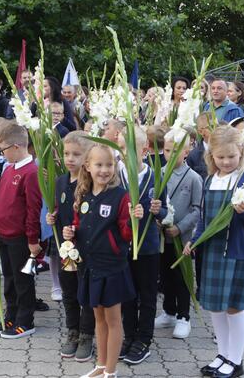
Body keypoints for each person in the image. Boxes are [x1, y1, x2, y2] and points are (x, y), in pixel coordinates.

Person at [183, 125, 244, 378]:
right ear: (212, 156)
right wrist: (194, 241)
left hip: (236, 253)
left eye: (231, 156)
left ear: (241, 152)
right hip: (212, 252)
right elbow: (205, 219)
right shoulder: (210, 179)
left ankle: (236, 360)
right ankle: (222, 354)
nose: (226, 161)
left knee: (233, 307)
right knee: (215, 307)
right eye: (220, 157)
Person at [62, 143, 142, 378]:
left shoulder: (120, 196)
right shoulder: (84, 194)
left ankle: (112, 371)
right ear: (87, 166)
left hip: (112, 267)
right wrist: (71, 232)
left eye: (109, 165)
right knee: (98, 318)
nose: (104, 170)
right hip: (90, 266)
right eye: (99, 165)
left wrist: (133, 221)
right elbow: (79, 225)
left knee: (114, 319)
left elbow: (126, 234)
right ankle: (100, 364)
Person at [0, 123, 43, 338]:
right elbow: (1, 194)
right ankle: (12, 314)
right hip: (4, 234)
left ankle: (26, 321)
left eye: (3, 149)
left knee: (22, 279)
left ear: (16, 146)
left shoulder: (31, 172)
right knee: (9, 277)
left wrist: (32, 239)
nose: (1, 153)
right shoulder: (10, 168)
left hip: (21, 238)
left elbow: (33, 209)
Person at [116, 126, 167, 365]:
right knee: (126, 295)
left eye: (130, 151)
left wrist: (158, 211)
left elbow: (164, 209)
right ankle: (128, 336)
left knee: (146, 295)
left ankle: (143, 339)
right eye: (122, 151)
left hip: (147, 247)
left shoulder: (155, 176)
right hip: (123, 247)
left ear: (144, 150)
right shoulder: (116, 176)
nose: (125, 156)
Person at [46, 131, 95, 361]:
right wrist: (53, 217)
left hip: (86, 250)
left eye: (76, 154)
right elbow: (61, 210)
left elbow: (91, 218)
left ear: (87, 157)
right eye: (66, 154)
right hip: (66, 250)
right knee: (69, 291)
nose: (70, 159)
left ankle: (87, 335)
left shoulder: (91, 185)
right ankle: (72, 331)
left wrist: (76, 230)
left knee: (84, 292)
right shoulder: (60, 181)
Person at [154, 128, 202, 339]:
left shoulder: (193, 178)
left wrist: (180, 227)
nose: (171, 155)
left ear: (187, 151)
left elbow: (197, 209)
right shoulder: (159, 173)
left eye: (176, 151)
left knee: (182, 277)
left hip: (182, 237)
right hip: (162, 236)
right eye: (167, 150)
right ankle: (169, 311)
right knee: (165, 276)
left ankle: (184, 316)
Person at [186, 112, 215, 181]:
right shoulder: (193, 155)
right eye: (210, 127)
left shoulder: (224, 149)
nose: (214, 129)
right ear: (200, 132)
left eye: (216, 125)